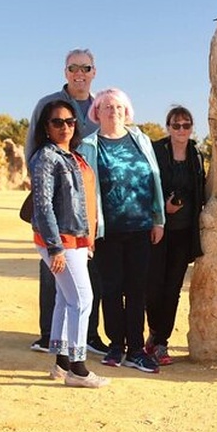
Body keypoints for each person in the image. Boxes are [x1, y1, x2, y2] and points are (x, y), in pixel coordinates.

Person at [24, 48, 108, 356]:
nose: (79, 73)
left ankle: (89, 335)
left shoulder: (101, 107)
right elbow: (33, 145)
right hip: (58, 197)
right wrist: (40, 179)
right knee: (54, 272)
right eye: (73, 68)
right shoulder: (49, 105)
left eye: (85, 67)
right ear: (65, 72)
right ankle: (50, 336)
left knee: (90, 269)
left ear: (93, 72)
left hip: (89, 194)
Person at [77, 88, 166, 374]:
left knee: (136, 289)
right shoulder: (88, 146)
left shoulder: (140, 139)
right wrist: (87, 232)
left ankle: (136, 350)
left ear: (126, 112)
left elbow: (154, 178)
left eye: (119, 107)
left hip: (141, 227)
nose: (114, 112)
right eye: (107, 107)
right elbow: (83, 193)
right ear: (97, 112)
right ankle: (116, 345)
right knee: (112, 289)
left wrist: (158, 218)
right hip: (106, 230)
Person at [144, 106, 206, 366]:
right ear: (168, 127)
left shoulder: (196, 154)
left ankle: (161, 342)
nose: (181, 130)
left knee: (172, 289)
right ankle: (154, 334)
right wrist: (162, 209)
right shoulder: (156, 151)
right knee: (153, 286)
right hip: (158, 229)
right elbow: (145, 185)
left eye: (186, 125)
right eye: (176, 125)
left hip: (183, 232)